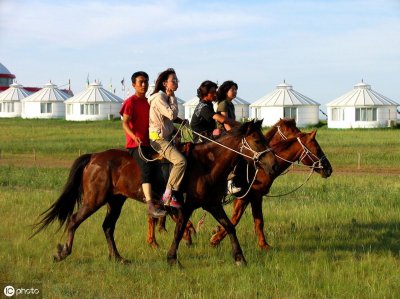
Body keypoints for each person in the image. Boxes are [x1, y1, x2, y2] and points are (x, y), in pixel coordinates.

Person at [120, 71, 166, 218]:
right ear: (134, 84)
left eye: (146, 81)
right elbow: (125, 123)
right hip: (136, 145)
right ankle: (150, 205)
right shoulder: (130, 102)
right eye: (141, 82)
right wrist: (134, 136)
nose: (144, 84)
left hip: (150, 142)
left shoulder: (148, 101)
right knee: (146, 166)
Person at [148, 68, 187, 209]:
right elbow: (171, 115)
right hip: (158, 139)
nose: (176, 82)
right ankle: (168, 194)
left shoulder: (163, 97)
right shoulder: (159, 98)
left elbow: (169, 118)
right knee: (181, 161)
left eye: (177, 80)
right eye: (173, 80)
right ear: (165, 83)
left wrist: (180, 122)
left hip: (167, 136)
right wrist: (173, 98)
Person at [216, 80, 241, 194]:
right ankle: (229, 183)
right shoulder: (223, 104)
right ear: (226, 91)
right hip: (224, 134)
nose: (235, 92)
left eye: (236, 89)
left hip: (230, 133)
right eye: (232, 89)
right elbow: (225, 123)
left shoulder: (230, 104)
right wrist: (235, 136)